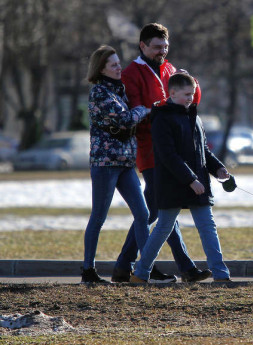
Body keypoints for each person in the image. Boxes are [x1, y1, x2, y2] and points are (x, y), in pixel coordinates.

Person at [112, 23, 211, 283]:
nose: (162, 52)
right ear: (142, 46)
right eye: (156, 47)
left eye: (165, 47)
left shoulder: (170, 69)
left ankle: (126, 267)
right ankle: (160, 267)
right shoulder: (132, 73)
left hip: (175, 154)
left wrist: (193, 84)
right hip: (151, 151)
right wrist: (163, 108)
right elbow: (137, 110)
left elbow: (191, 103)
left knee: (161, 211)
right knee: (157, 211)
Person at [130, 73, 231, 283]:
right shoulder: (162, 118)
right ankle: (140, 273)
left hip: (197, 184)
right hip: (172, 185)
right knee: (163, 227)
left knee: (207, 226)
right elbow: (168, 156)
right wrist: (190, 180)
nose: (190, 98)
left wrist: (218, 168)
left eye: (192, 94)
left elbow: (203, 151)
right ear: (172, 93)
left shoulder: (194, 117)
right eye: (186, 94)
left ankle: (221, 275)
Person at [82, 45, 151, 283]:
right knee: (99, 217)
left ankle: (144, 269)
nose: (118, 67)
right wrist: (144, 108)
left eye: (119, 62)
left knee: (143, 214)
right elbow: (124, 119)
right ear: (101, 69)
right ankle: (88, 271)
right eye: (113, 64)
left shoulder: (119, 90)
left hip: (125, 163)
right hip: (105, 163)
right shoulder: (100, 92)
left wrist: (138, 109)